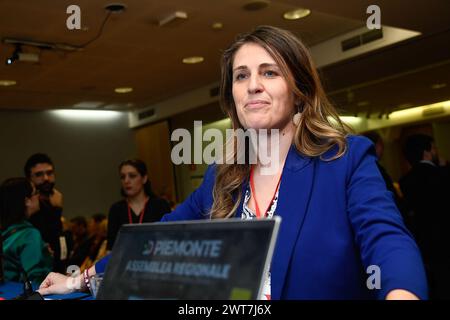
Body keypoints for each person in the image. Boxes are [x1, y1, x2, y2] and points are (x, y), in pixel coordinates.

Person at [38, 25, 427, 300]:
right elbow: (156, 238)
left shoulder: (345, 159)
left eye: (269, 72)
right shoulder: (221, 178)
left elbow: (387, 240)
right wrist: (78, 280)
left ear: (300, 92)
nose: (253, 85)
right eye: (241, 76)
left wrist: (401, 293)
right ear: (233, 96)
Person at [399, 134, 450, 299]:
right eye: (433, 147)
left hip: (423, 242)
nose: (436, 151)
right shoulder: (442, 174)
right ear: (427, 151)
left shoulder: (405, 181)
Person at [106, 159, 171, 251]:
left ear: (144, 178)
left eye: (132, 176)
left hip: (156, 259)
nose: (126, 181)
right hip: (126, 262)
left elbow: (168, 239)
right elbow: (111, 247)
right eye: (122, 177)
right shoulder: (116, 209)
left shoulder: (160, 205)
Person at [0, 178, 53, 284]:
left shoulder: (5, 230)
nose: (39, 195)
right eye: (35, 192)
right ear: (27, 201)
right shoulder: (29, 234)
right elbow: (36, 279)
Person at [24, 153, 69, 273]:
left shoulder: (56, 200)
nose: (46, 178)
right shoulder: (27, 207)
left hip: (58, 271)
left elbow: (59, 240)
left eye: (49, 173)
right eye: (39, 174)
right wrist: (56, 211)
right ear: (29, 179)